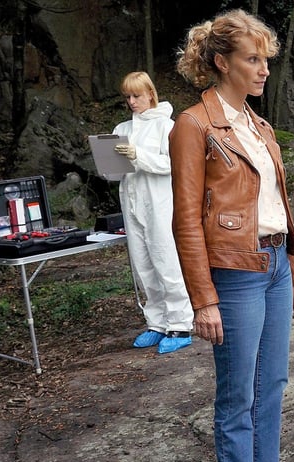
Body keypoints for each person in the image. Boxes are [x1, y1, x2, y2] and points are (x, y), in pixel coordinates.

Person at [170, 9, 294, 462]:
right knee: (237, 391)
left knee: (272, 383)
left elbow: (279, 207)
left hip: (274, 266)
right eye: (252, 59)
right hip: (233, 274)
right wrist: (203, 299)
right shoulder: (193, 126)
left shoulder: (260, 127)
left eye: (266, 60)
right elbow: (186, 219)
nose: (263, 70)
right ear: (221, 62)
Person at [111, 71, 194, 354]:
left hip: (159, 203)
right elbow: (115, 172)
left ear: (150, 94)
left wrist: (139, 156)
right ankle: (157, 323)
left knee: (166, 261)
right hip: (131, 202)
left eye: (137, 95)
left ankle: (181, 323)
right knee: (143, 265)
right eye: (128, 97)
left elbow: (173, 165)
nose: (132, 102)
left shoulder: (167, 126)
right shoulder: (122, 128)